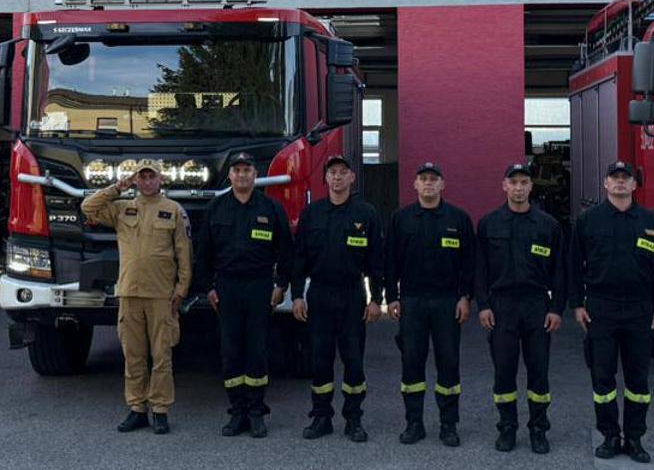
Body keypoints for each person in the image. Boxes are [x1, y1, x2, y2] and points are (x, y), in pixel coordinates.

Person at [79, 159, 192, 435]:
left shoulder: (173, 211)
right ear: (136, 180)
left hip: (161, 295)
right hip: (129, 293)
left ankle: (161, 409)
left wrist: (181, 290)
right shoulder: (122, 209)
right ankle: (137, 408)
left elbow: (184, 254)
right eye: (141, 177)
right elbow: (88, 207)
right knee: (133, 355)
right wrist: (119, 186)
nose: (147, 181)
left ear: (160, 179)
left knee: (161, 356)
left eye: (151, 176)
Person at [569, 161, 654, 463]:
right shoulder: (589, 220)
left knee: (638, 381)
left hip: (640, 310)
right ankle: (610, 436)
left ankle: (635, 438)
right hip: (601, 308)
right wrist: (576, 304)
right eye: (615, 178)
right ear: (606, 184)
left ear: (634, 186)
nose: (621, 183)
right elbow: (573, 265)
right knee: (603, 378)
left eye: (626, 179)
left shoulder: (652, 220)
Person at [194, 152, 293, 438]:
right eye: (237, 171)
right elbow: (204, 255)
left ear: (255, 174)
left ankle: (256, 411)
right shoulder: (216, 208)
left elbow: (286, 251)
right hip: (227, 289)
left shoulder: (271, 208)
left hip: (260, 287)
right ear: (230, 176)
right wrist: (208, 287)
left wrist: (281, 284)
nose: (242, 175)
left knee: (257, 351)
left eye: (247, 170)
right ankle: (237, 411)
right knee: (230, 352)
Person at [291, 154, 384, 443]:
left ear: (352, 178)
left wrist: (375, 299)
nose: (338, 177)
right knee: (320, 360)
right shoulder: (312, 214)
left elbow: (376, 261)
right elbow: (299, 258)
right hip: (319, 294)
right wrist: (296, 295)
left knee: (353, 360)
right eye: (332, 173)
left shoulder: (366, 214)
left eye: (343, 172)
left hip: (352, 295)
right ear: (326, 179)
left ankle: (354, 419)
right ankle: (321, 417)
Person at [476, 162, 566, 454]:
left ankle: (539, 429)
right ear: (504, 186)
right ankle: (507, 429)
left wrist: (556, 309)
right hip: (501, 306)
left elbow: (560, 272)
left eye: (523, 182)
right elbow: (480, 269)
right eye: (512, 182)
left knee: (538, 372)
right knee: (504, 372)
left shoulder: (548, 225)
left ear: (531, 186)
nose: (518, 187)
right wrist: (483, 305)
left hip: (536, 306)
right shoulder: (489, 223)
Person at [385, 162, 474, 448]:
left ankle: (449, 425)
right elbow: (390, 263)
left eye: (433, 179)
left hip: (447, 302)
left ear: (442, 185)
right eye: (423, 179)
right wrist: (392, 297)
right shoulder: (402, 219)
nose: (428, 184)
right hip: (412, 302)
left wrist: (465, 296)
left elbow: (469, 264)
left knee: (448, 364)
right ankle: (414, 423)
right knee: (411, 364)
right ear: (415, 185)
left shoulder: (458, 219)